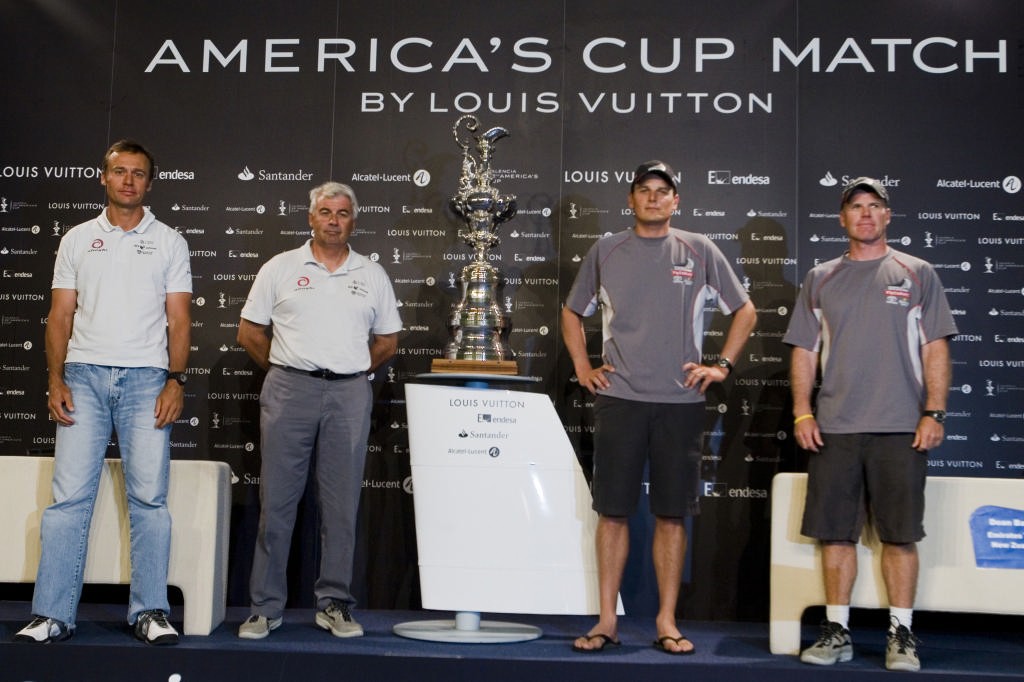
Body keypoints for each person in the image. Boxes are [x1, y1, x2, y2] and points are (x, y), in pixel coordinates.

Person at [562, 161, 757, 655]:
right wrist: (584, 367)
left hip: (681, 403)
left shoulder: (699, 249)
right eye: (644, 191)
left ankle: (666, 621)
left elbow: (745, 311)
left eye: (662, 191)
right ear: (631, 200)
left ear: (676, 201)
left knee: (672, 517)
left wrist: (722, 367)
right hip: (620, 400)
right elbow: (571, 312)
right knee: (613, 515)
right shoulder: (606, 250)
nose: (653, 198)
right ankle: (607, 620)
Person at [15, 139, 192, 646]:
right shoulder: (76, 239)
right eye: (120, 171)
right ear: (104, 177)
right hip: (84, 378)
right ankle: (52, 615)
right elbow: (61, 315)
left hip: (147, 380)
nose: (129, 180)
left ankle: (150, 611)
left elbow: (179, 319)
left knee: (150, 501)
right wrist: (55, 379)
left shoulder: (170, 241)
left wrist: (175, 380)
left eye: (138, 173)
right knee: (68, 499)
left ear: (149, 183)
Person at [783, 177, 957, 672]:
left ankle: (902, 635)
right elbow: (804, 350)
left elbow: (934, 347)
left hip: (902, 426)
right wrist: (802, 410)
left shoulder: (916, 272)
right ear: (842, 219)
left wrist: (934, 411)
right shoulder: (820, 277)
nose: (864, 213)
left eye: (874, 206)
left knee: (900, 536)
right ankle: (836, 630)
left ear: (887, 216)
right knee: (836, 536)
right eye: (855, 206)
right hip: (835, 427)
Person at [236, 181, 402, 640]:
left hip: (349, 395)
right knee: (278, 503)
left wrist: (350, 370)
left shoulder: (371, 274)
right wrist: (287, 370)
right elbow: (249, 332)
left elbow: (387, 342)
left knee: (341, 507)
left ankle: (334, 603)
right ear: (310, 218)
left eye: (342, 213)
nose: (333, 220)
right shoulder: (281, 268)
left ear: (353, 220)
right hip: (290, 390)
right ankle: (265, 608)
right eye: (325, 212)